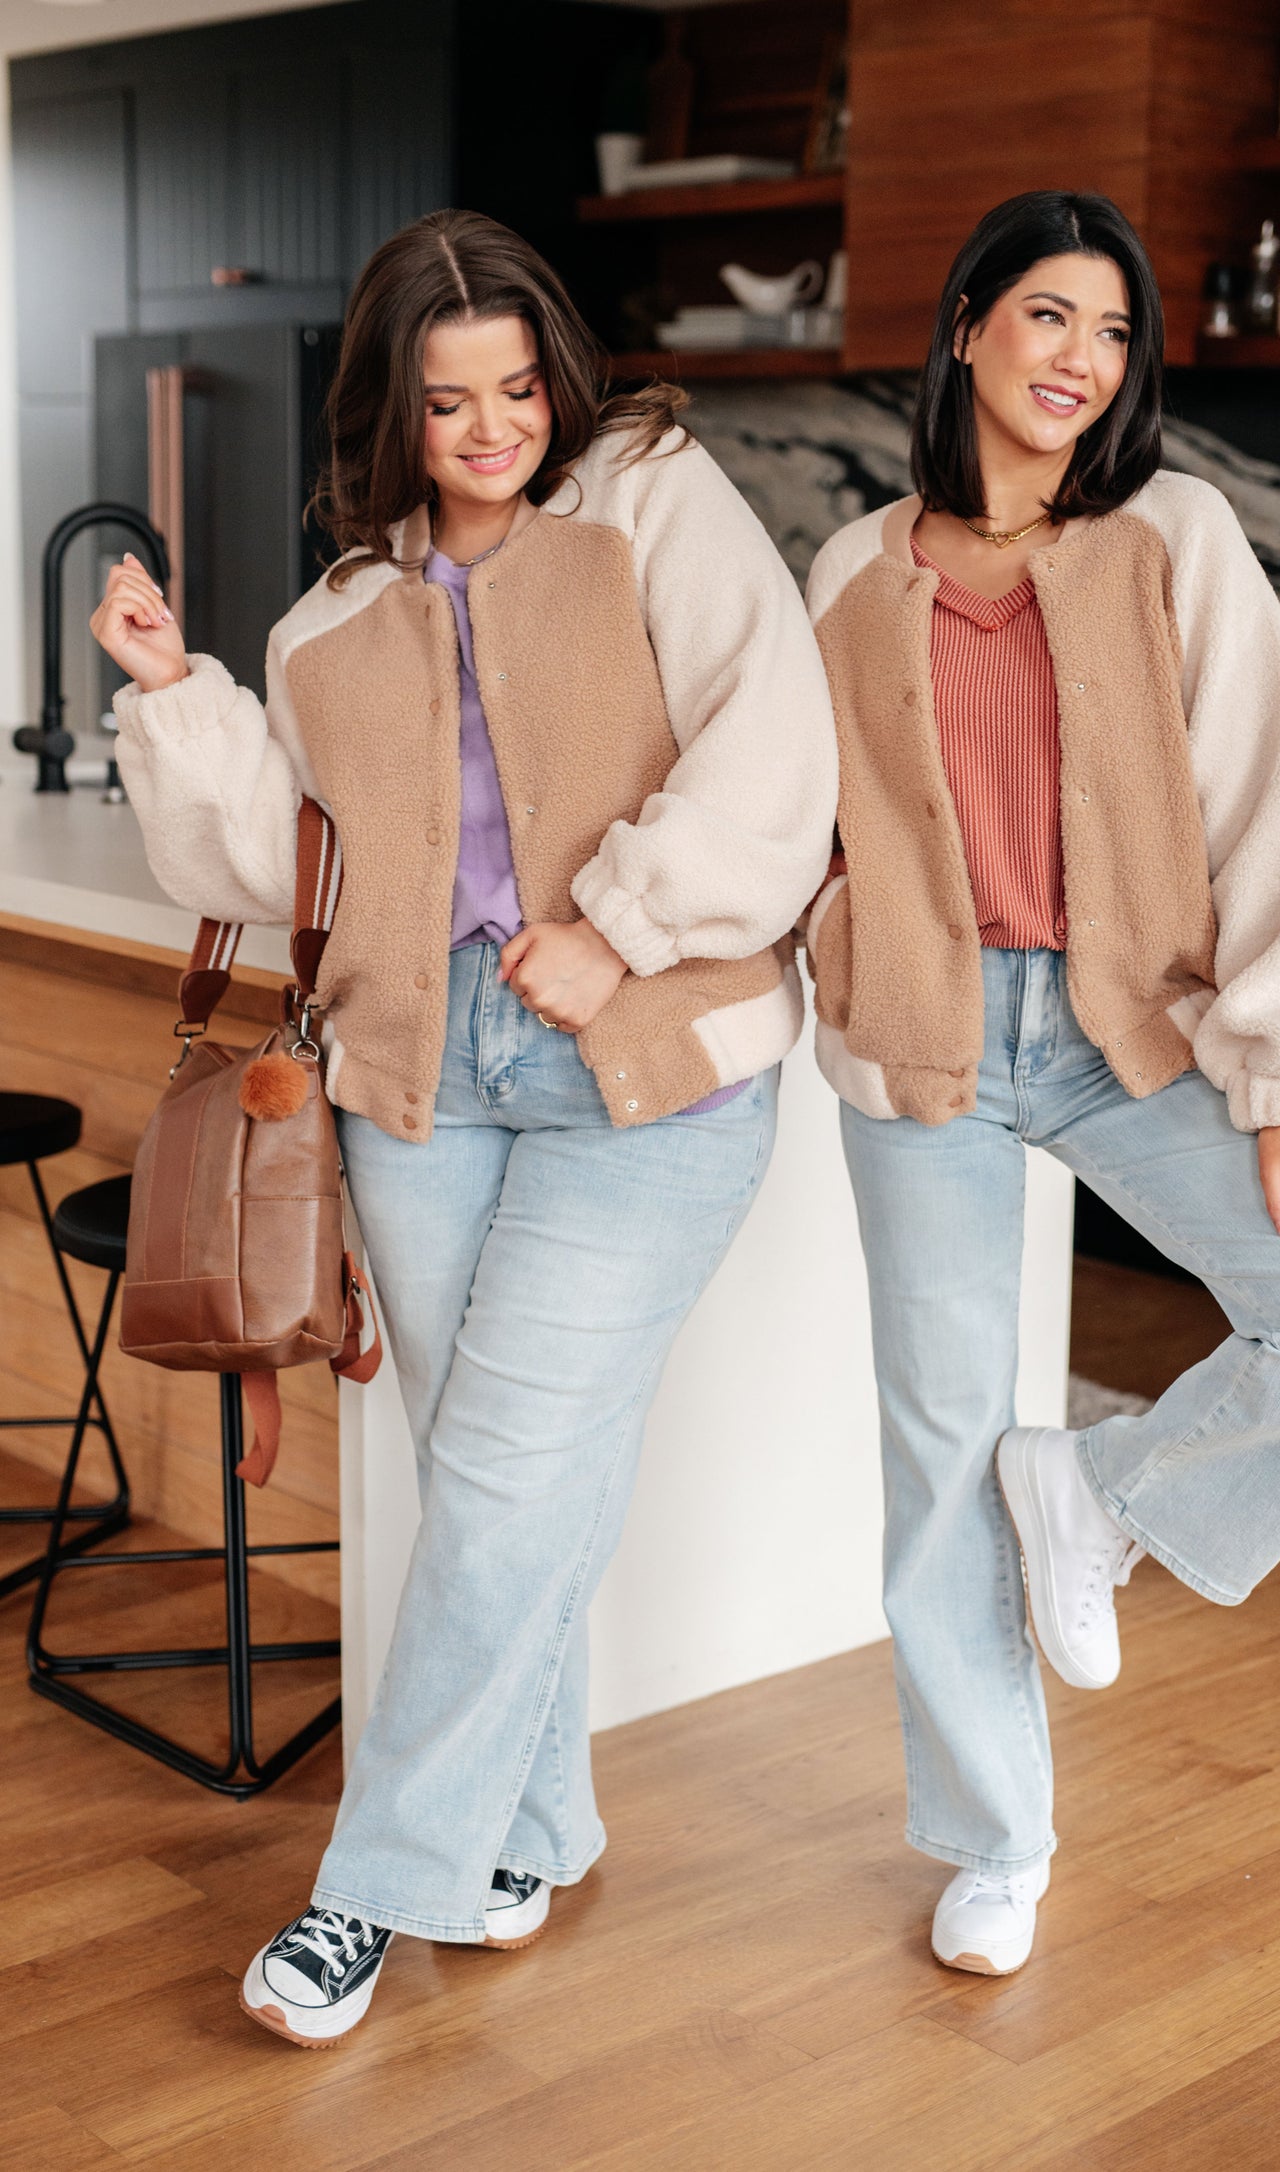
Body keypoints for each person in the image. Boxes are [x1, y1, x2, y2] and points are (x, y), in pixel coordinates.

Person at [92, 208, 836, 2045]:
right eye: (449, 401)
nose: (492, 427)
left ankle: (370, 1892)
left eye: (515, 388)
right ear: (394, 413)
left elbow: (773, 734)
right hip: (420, 1083)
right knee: (505, 1476)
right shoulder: (336, 612)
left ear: (555, 383)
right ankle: (538, 1825)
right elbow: (277, 870)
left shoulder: (650, 499)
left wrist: (624, 926)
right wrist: (176, 691)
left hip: (643, 1069)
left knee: (504, 1479)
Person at [803, 189, 1280, 1980]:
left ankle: (1097, 1495)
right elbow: (792, 810)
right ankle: (995, 1842)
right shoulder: (854, 567)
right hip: (923, 1041)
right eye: (1044, 321)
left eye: (1110, 334)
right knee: (935, 1453)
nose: (1078, 362)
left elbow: (1260, 804)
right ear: (965, 331)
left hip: (1128, 1028)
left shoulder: (1178, 532)